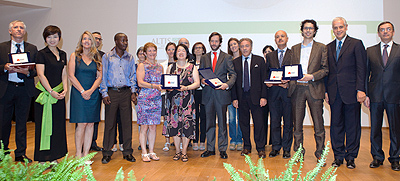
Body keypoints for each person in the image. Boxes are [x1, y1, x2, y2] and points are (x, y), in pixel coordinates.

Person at [325, 17, 367, 169]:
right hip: (334, 93)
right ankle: (338, 156)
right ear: (333, 30)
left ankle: (351, 157)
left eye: (341, 27)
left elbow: (362, 68)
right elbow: (327, 72)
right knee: (336, 126)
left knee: (352, 126)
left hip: (351, 92)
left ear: (346, 27)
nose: (338, 30)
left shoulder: (356, 44)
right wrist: (325, 91)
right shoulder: (328, 47)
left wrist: (361, 89)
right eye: (335, 28)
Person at [288, 19, 328, 162]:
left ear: (315, 31)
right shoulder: (294, 48)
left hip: (314, 88)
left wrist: (311, 76)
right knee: (297, 125)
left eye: (311, 28)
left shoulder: (322, 47)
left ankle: (320, 153)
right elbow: (290, 69)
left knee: (318, 124)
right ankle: (299, 152)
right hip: (297, 89)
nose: (308, 30)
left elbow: (325, 69)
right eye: (305, 28)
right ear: (302, 30)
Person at [0, 20, 38, 163]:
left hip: (24, 89)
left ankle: (20, 153)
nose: (19, 30)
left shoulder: (32, 48)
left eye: (21, 28)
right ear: (10, 31)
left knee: (22, 123)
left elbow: (36, 71)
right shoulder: (2, 47)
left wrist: (28, 72)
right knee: (3, 123)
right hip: (6, 89)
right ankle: (2, 153)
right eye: (16, 27)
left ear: (25, 32)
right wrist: (4, 67)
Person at [365, 21, 400, 171]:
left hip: (395, 96)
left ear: (393, 32)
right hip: (375, 96)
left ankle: (395, 158)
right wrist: (366, 94)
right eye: (382, 30)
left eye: (388, 30)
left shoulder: (399, 50)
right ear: (378, 33)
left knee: (395, 129)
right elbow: (365, 74)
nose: (385, 32)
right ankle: (377, 157)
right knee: (375, 129)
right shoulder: (370, 51)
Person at [99, 33, 136, 164]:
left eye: (126, 40)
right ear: (116, 41)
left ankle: (127, 152)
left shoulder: (130, 58)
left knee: (126, 124)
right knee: (110, 124)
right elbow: (103, 76)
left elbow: (132, 75)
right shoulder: (107, 57)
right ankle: (107, 152)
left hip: (126, 93)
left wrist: (133, 91)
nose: (125, 42)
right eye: (122, 40)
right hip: (112, 93)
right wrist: (104, 93)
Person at [33, 25, 67, 164]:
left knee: (58, 126)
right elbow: (41, 74)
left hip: (59, 95)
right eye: (49, 37)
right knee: (44, 126)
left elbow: (64, 74)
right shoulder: (41, 54)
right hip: (45, 96)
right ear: (45, 38)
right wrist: (51, 91)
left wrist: (65, 89)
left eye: (55, 36)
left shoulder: (63, 54)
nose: (52, 40)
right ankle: (42, 159)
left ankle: (54, 157)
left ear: (59, 38)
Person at [200, 32, 237, 159]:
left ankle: (222, 149)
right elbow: (201, 73)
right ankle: (210, 148)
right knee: (209, 123)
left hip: (221, 94)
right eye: (212, 41)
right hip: (208, 94)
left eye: (216, 41)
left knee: (222, 123)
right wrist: (201, 80)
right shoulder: (204, 57)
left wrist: (227, 84)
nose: (214, 43)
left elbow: (233, 74)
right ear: (209, 42)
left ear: (220, 43)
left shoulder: (227, 57)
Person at [68, 31, 102, 164]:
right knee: (81, 124)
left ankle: (86, 154)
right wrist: (83, 91)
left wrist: (91, 90)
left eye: (89, 39)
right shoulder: (74, 56)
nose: (86, 41)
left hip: (93, 93)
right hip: (79, 93)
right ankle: (78, 154)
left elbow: (99, 77)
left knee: (90, 124)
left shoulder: (96, 57)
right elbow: (71, 75)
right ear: (81, 41)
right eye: (84, 39)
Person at [232, 38, 267, 158]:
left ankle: (261, 148)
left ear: (251, 47)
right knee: (243, 123)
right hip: (241, 97)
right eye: (242, 46)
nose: (245, 48)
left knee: (259, 123)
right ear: (239, 48)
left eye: (247, 46)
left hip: (257, 97)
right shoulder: (235, 62)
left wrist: (263, 96)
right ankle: (246, 146)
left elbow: (264, 80)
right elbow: (234, 82)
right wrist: (234, 98)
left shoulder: (260, 60)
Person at [164, 44, 200, 162]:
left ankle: (184, 151)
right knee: (175, 126)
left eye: (183, 51)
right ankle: (177, 152)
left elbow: (197, 83)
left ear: (187, 53)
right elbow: (167, 83)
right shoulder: (171, 67)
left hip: (187, 101)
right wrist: (168, 87)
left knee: (187, 126)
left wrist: (186, 88)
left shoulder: (192, 67)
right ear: (175, 53)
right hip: (174, 101)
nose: (180, 53)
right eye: (178, 50)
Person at [265, 30, 293, 159]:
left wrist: (289, 83)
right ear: (275, 40)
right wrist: (268, 82)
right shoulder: (270, 56)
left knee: (288, 123)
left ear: (287, 38)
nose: (280, 38)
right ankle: (276, 147)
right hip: (274, 93)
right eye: (277, 37)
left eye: (282, 36)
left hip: (288, 93)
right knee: (275, 122)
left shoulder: (293, 54)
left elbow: (296, 73)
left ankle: (287, 149)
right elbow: (266, 73)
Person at [137, 42, 163, 162]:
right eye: (150, 51)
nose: (152, 53)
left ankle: (151, 151)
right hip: (145, 99)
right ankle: (144, 152)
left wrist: (167, 86)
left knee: (153, 127)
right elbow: (140, 83)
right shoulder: (142, 65)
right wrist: (154, 86)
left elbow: (162, 84)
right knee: (144, 127)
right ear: (145, 53)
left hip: (157, 99)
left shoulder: (160, 67)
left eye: (154, 50)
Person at [227, 38, 243, 151]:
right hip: (230, 93)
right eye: (231, 45)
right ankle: (233, 139)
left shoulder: (245, 59)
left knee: (241, 118)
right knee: (232, 118)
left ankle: (240, 139)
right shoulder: (228, 60)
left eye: (234, 44)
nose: (233, 46)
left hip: (243, 93)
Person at [90, 31, 104, 152]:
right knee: (82, 120)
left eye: (99, 39)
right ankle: (83, 143)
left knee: (95, 117)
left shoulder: (102, 55)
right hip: (84, 90)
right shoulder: (81, 54)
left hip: (97, 91)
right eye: (95, 38)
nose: (97, 41)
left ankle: (93, 142)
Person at [191, 42, 207, 151]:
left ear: (203, 50)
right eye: (196, 48)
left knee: (204, 117)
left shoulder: (206, 61)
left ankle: (202, 141)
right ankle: (195, 141)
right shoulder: (190, 63)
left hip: (205, 92)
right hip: (193, 92)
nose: (198, 50)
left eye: (200, 48)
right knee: (194, 117)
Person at [162, 42, 176, 152]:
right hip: (166, 94)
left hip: (177, 95)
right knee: (166, 118)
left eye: (173, 49)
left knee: (176, 118)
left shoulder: (180, 63)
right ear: (166, 51)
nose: (171, 51)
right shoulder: (162, 65)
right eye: (169, 49)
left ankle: (178, 142)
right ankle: (167, 141)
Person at [262, 45, 274, 147]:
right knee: (263, 119)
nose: (267, 53)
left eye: (269, 51)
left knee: (274, 119)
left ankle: (273, 141)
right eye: (265, 51)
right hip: (263, 95)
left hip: (273, 94)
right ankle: (263, 141)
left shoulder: (274, 64)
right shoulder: (261, 64)